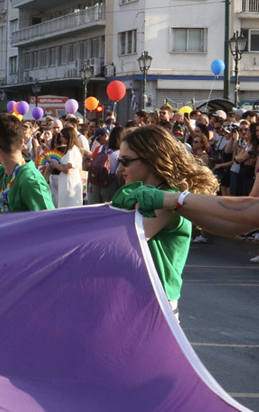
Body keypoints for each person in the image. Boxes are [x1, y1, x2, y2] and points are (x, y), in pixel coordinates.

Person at [109, 125, 220, 315]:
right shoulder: (146, 196)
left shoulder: (167, 200)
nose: (119, 169)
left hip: (156, 303)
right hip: (139, 297)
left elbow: (124, 242)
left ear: (150, 160)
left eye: (125, 161)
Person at [47, 126, 84, 208]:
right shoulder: (72, 150)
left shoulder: (71, 151)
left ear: (68, 137)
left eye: (63, 137)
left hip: (70, 183)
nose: (61, 139)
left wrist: (53, 162)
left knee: (68, 207)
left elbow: (67, 170)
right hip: (68, 182)